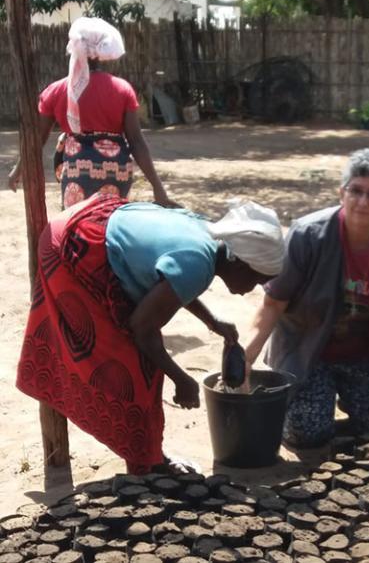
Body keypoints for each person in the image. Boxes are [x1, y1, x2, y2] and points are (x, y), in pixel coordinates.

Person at [15, 194, 284, 474]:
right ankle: (146, 464)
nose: (253, 287)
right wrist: (182, 380)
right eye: (256, 279)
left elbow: (170, 279)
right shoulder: (198, 262)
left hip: (90, 219)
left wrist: (212, 321)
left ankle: (148, 457)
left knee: (146, 361)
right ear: (240, 263)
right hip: (71, 244)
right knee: (135, 370)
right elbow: (142, 329)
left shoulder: (208, 237)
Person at [244, 148, 369, 449]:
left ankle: (345, 396)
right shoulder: (307, 235)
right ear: (341, 192)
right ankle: (311, 402)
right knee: (309, 433)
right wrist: (245, 357)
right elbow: (274, 303)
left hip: (362, 355)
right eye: (356, 191)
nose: (363, 202)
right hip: (306, 352)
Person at [9, 16, 171, 209]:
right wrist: (157, 188)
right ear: (100, 53)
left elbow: (36, 140)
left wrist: (19, 169)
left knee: (76, 230)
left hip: (77, 175)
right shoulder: (122, 89)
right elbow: (136, 142)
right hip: (117, 174)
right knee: (111, 226)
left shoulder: (56, 90)